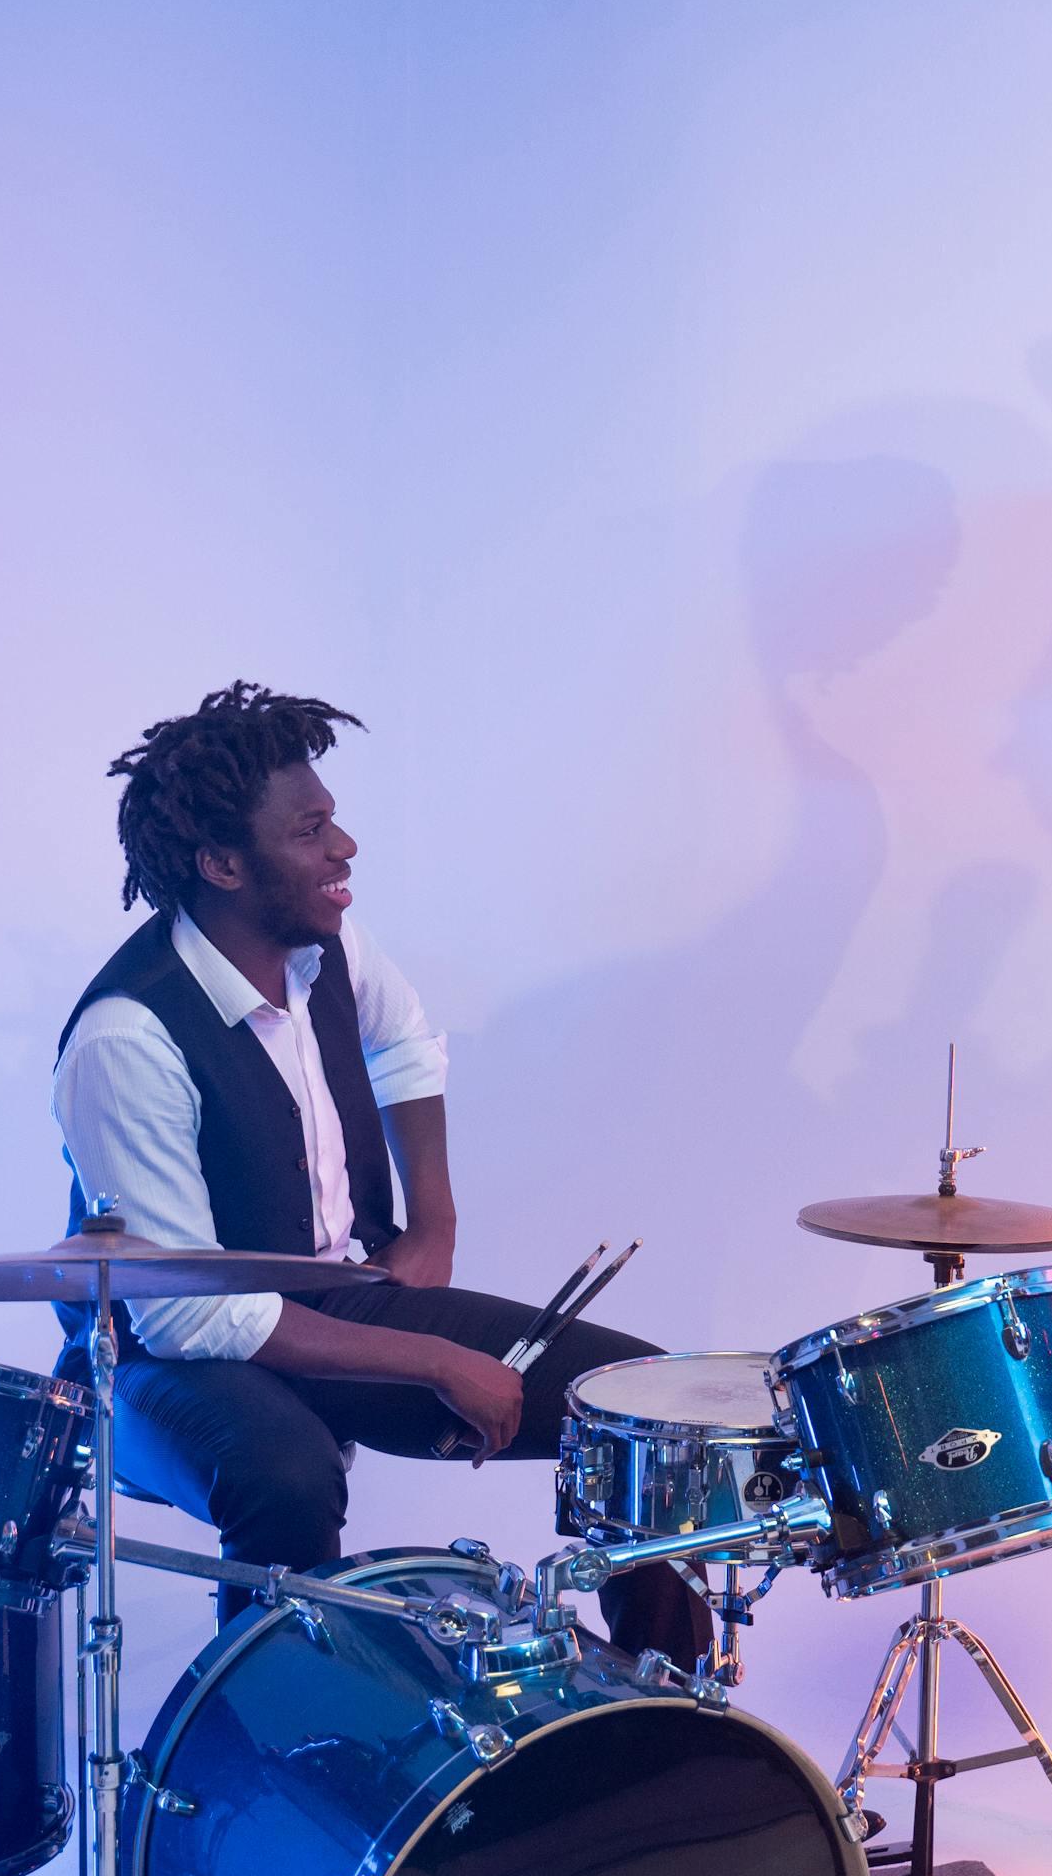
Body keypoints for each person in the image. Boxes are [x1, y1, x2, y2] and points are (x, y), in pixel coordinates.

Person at [51, 681, 705, 1666]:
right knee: (285, 1475)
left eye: (334, 820)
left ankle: (669, 1714)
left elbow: (405, 1050)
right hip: (156, 1356)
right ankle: (270, 1747)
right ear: (223, 863)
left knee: (639, 1407)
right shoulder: (127, 1040)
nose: (343, 847)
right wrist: (437, 1361)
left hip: (331, 1292)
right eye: (310, 830)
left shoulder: (325, 945)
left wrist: (431, 1225)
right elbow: (189, 1318)